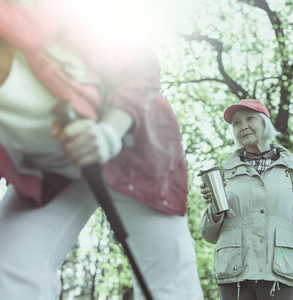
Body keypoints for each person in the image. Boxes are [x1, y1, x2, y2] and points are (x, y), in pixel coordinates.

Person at [0, 1, 203, 299]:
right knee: (9, 264)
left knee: (169, 285)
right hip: (52, 174)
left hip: (135, 157)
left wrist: (108, 132)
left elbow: (137, 61)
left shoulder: (45, 16)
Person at [199, 99, 293, 300]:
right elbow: (209, 234)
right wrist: (214, 208)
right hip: (234, 275)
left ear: (265, 123)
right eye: (236, 123)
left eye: (250, 118)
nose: (243, 126)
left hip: (280, 274)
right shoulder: (224, 172)